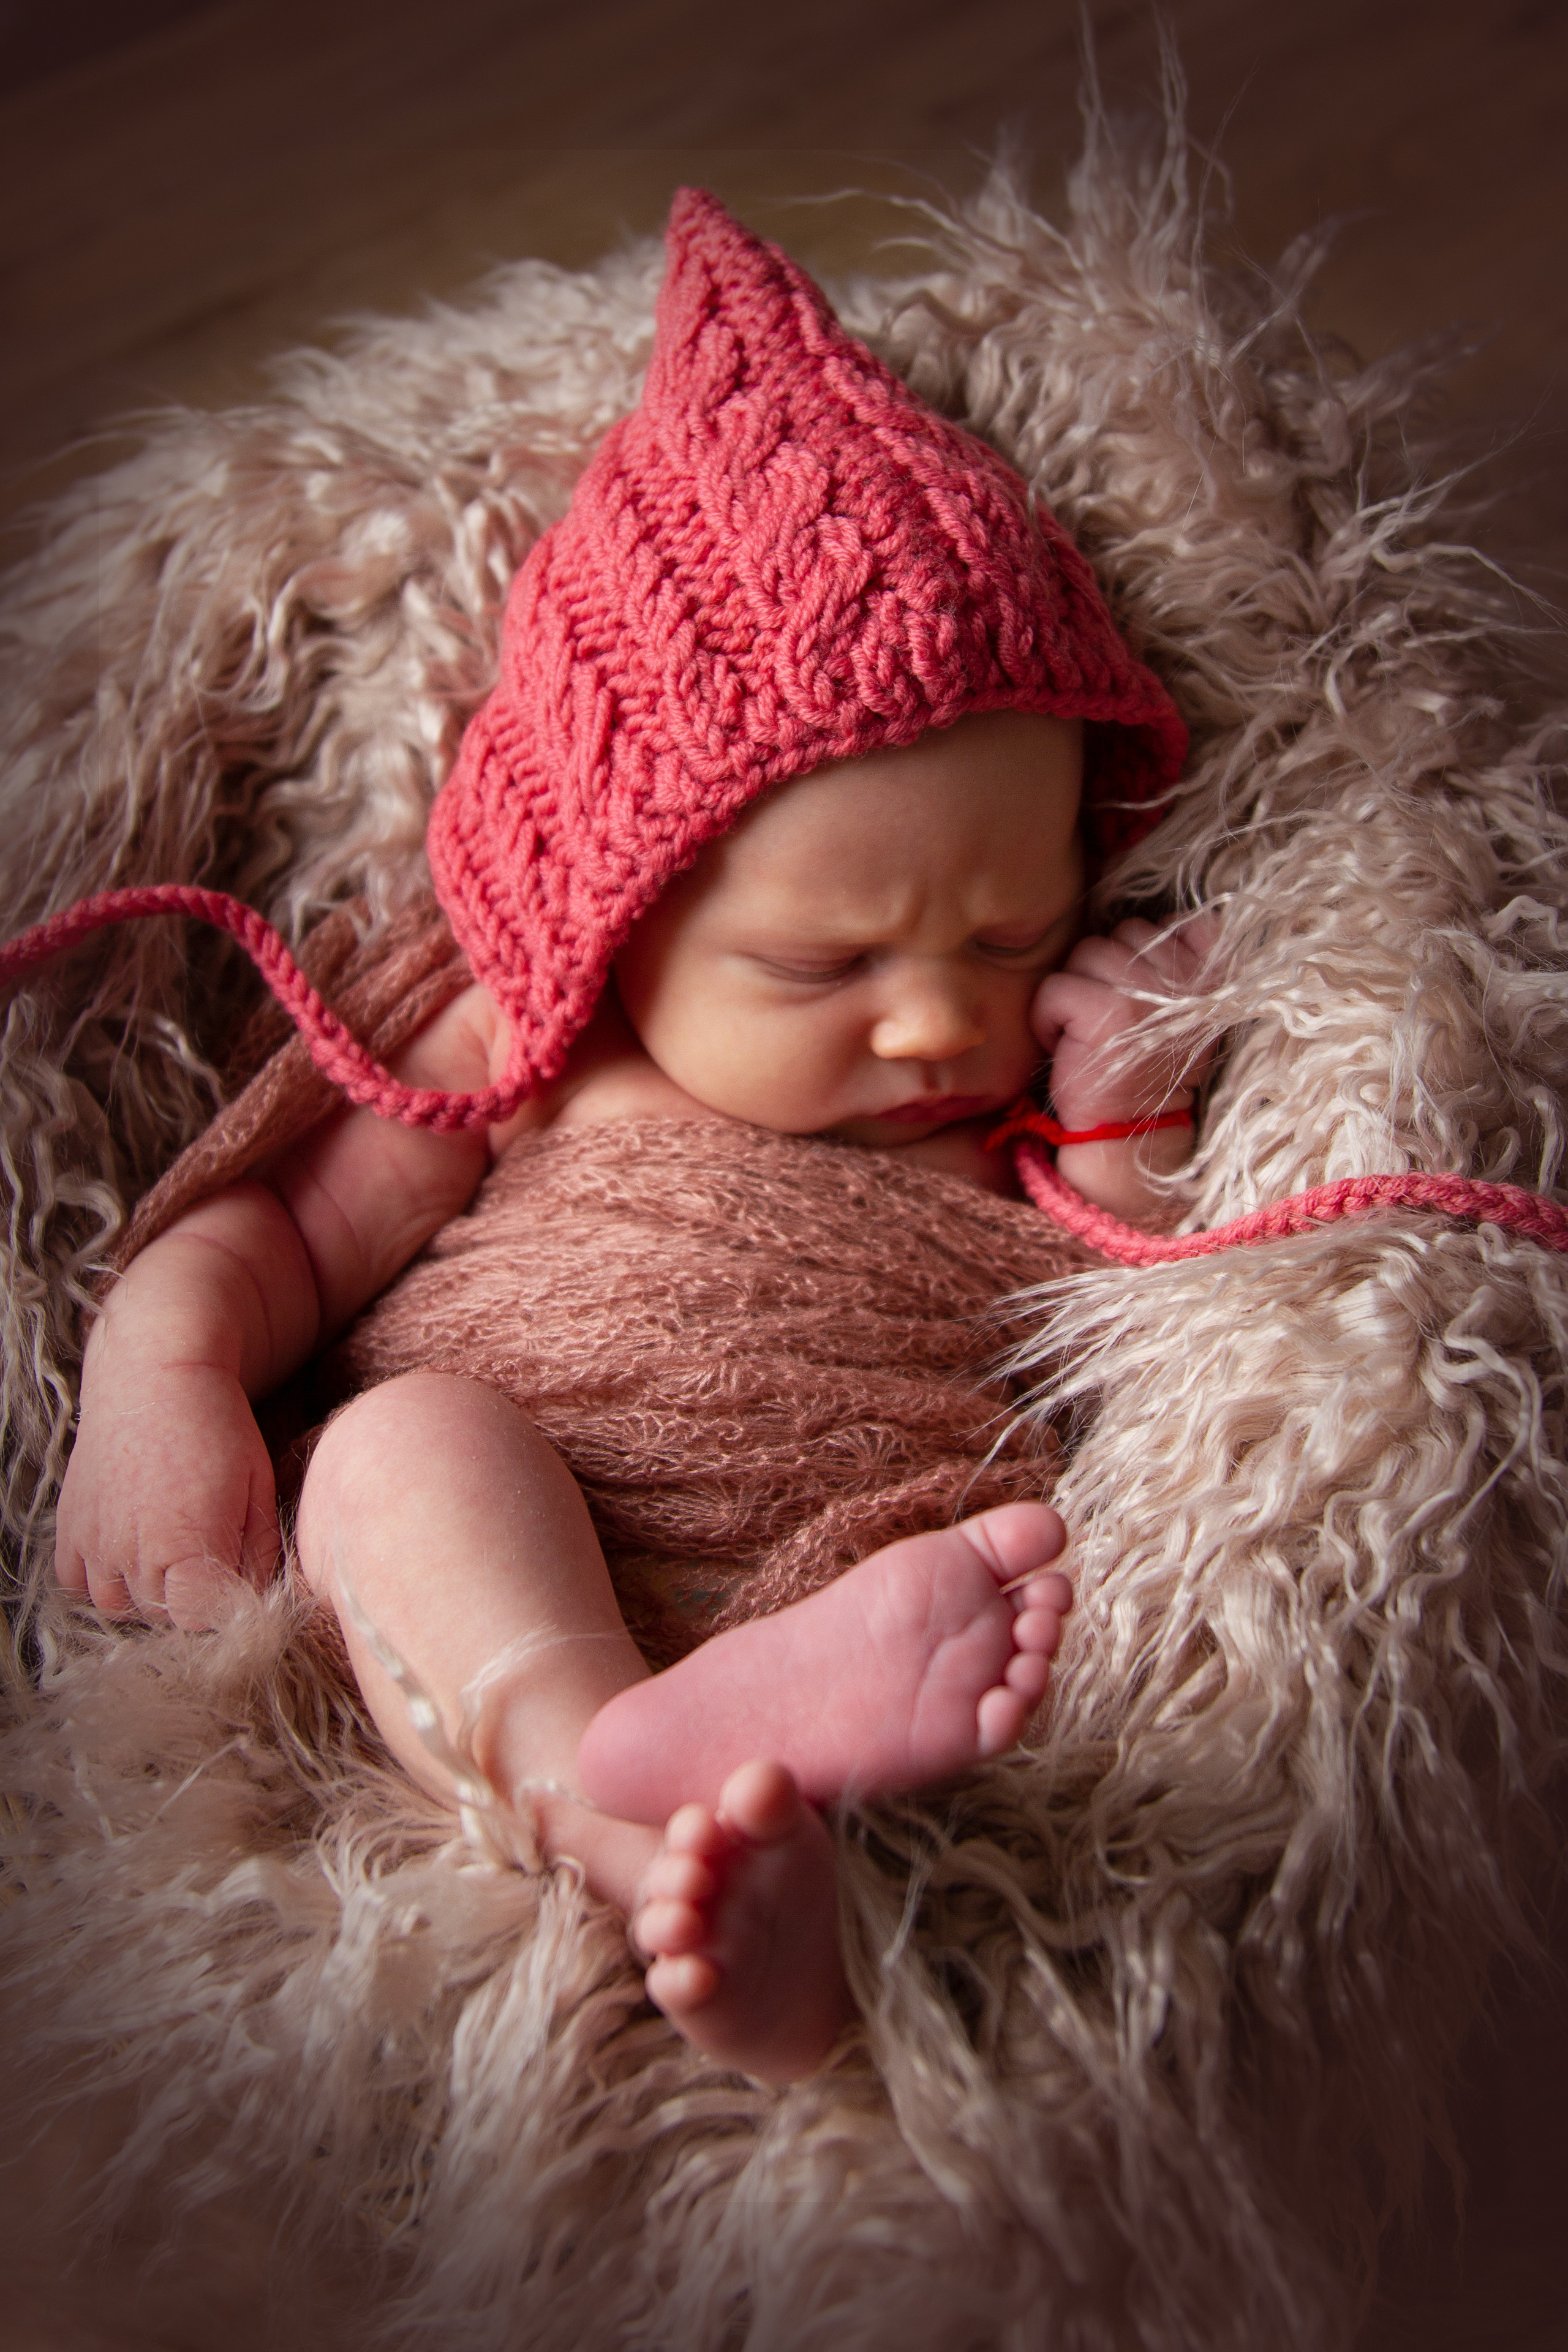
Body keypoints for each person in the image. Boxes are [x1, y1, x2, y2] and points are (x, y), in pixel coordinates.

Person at [43, 190, 1208, 2084]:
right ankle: (620, 1785)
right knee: (397, 1456)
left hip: (864, 1571)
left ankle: (763, 1836)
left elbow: (1146, 1298)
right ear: (615, 908)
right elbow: (282, 1244)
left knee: (1017, 1601)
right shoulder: (523, 1051)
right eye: (817, 959)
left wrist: (1139, 1093)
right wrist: (158, 1367)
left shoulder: (1018, 1086)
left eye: (1005, 933)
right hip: (503, 1563)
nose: (935, 1018)